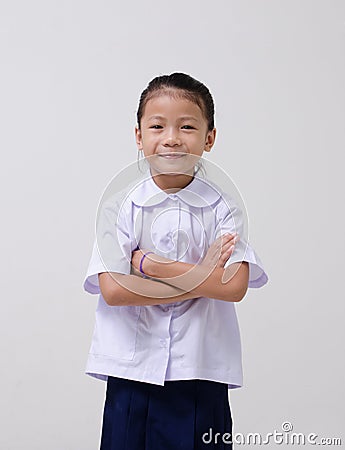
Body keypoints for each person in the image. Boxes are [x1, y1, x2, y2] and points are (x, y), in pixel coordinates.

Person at [83, 72, 268, 449]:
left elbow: (233, 287)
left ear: (209, 137)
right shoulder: (121, 205)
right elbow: (114, 290)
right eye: (157, 126)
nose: (171, 138)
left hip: (200, 370)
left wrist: (151, 265)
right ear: (139, 135)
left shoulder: (224, 207)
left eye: (186, 126)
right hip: (131, 372)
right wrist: (203, 279)